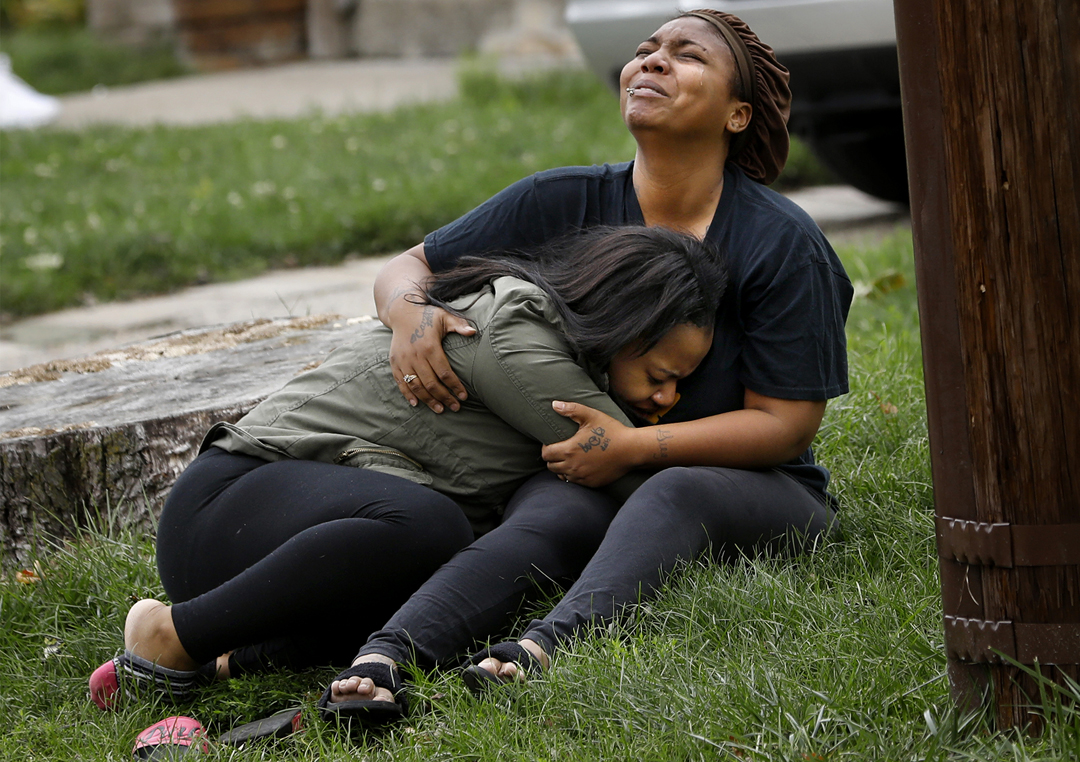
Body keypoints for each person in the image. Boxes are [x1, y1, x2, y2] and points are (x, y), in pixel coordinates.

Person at [322, 9, 852, 718]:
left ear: (737, 115)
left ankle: (542, 648)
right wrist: (410, 314)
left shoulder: (782, 243)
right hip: (591, 465)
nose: (654, 61)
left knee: (675, 491)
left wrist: (637, 446)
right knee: (544, 513)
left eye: (687, 56)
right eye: (645, 50)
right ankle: (384, 658)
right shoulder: (562, 200)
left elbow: (784, 426)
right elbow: (410, 266)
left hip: (753, 485)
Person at [88, 225, 726, 711]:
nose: (665, 402)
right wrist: (768, 487)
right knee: (431, 526)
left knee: (465, 589)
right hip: (228, 508)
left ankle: (232, 659)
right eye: (661, 376)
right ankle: (171, 633)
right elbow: (646, 482)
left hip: (312, 541)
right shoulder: (516, 334)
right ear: (622, 327)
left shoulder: (570, 360)